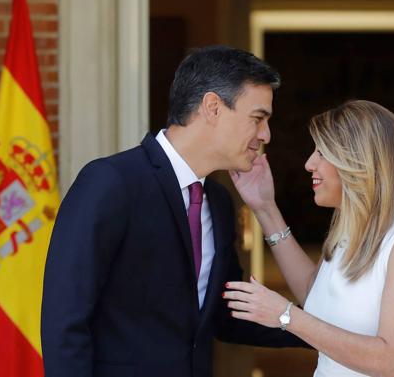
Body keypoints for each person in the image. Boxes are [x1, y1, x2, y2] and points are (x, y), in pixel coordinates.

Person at [41, 45, 305, 377]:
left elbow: (226, 314)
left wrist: (323, 331)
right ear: (213, 107)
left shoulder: (220, 203)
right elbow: (65, 320)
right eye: (258, 118)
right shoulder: (111, 183)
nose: (265, 134)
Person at [225, 100, 394, 376]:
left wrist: (286, 316)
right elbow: (314, 294)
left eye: (322, 152)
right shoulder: (347, 232)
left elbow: (389, 360)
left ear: (358, 160)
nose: (309, 164)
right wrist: (265, 208)